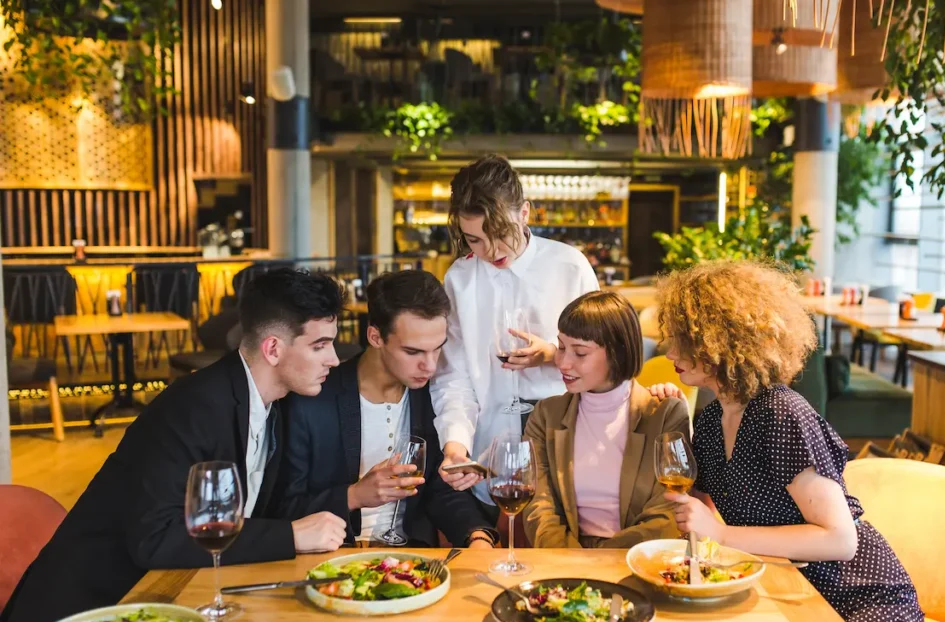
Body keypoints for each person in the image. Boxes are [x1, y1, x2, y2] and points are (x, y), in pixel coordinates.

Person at [0, 268, 348, 622]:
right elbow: (155, 538)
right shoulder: (194, 407)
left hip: (167, 606)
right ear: (273, 349)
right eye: (320, 345)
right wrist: (290, 535)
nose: (334, 359)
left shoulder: (275, 404)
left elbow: (260, 509)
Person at [657, 261, 927, 622]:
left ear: (724, 340)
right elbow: (702, 516)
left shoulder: (780, 412)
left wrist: (723, 535)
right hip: (788, 595)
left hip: (861, 603)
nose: (670, 352)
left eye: (684, 340)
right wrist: (666, 411)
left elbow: (841, 540)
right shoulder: (709, 423)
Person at [277, 269, 499, 549]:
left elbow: (438, 491)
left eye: (437, 349)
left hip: (413, 563)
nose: (430, 366)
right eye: (413, 352)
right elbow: (282, 507)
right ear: (375, 337)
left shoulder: (433, 397)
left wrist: (477, 536)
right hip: (329, 557)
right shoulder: (312, 397)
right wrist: (354, 495)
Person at [431, 154, 600, 519]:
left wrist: (555, 353)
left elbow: (606, 357)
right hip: (490, 452)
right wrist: (455, 444)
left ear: (524, 213)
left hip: (565, 444)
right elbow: (453, 376)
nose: (490, 252)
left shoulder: (569, 266)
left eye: (498, 235)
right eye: (475, 240)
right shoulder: (459, 280)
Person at [523, 292, 689, 548]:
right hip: (562, 561)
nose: (564, 363)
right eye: (562, 347)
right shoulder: (546, 415)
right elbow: (538, 507)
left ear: (617, 353)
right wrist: (573, 561)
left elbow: (666, 513)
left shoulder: (665, 414)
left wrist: (602, 560)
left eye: (580, 353)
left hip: (636, 559)